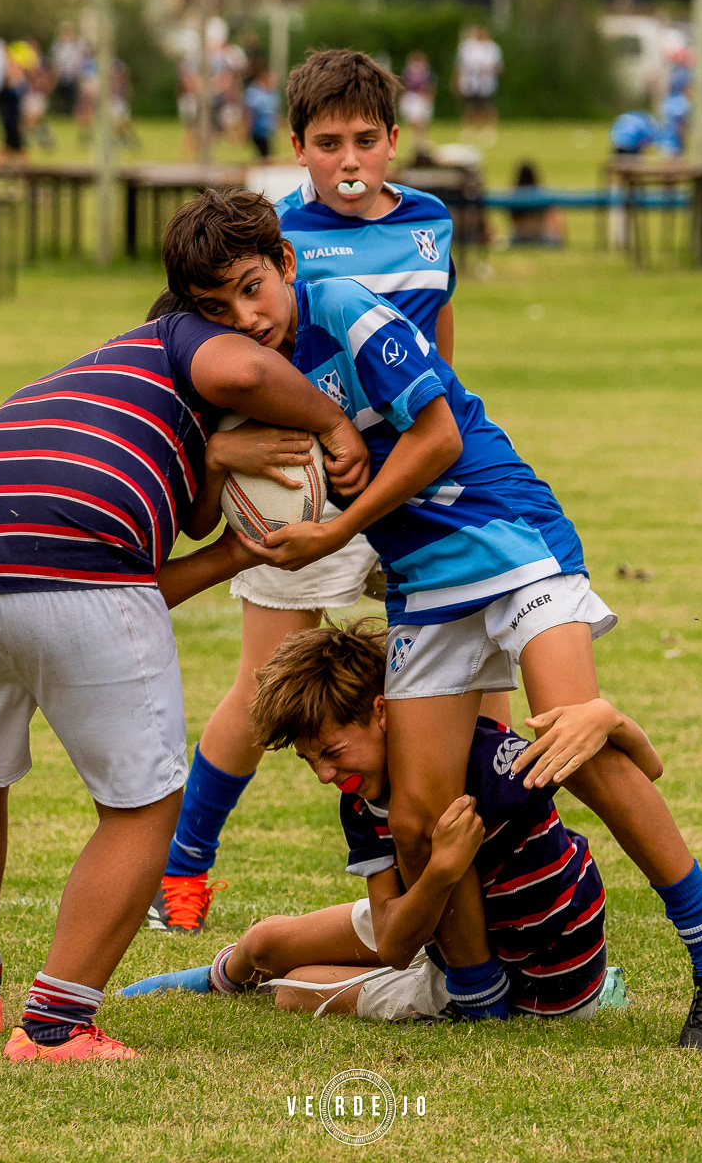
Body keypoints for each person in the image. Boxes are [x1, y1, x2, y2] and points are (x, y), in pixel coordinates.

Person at [164, 187, 702, 1049]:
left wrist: (336, 527)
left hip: (505, 533)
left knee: (563, 739)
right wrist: (220, 451)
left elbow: (440, 438)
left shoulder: (342, 307)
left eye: (253, 289)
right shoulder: (239, 373)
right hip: (422, 581)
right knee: (415, 815)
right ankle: (477, 994)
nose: (245, 317)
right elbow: (199, 514)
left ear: (287, 264)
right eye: (218, 307)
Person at [0, 271, 370, 1064]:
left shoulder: (102, 395)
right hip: (70, 553)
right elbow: (243, 372)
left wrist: (230, 551)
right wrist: (334, 424)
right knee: (145, 805)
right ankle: (56, 1027)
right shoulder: (183, 338)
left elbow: (131, 585)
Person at [144, 50, 484, 936]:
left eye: (365, 141)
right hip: (302, 482)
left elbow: (437, 340)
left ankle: (495, 861)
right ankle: (183, 866)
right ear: (296, 147)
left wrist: (442, 436)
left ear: (394, 140)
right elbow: (200, 359)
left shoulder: (432, 222)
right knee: (266, 684)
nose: (348, 161)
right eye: (328, 144)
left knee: (476, 673)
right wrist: (227, 449)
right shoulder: (268, 241)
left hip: (417, 479)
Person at [122, 621, 656, 1022]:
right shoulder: (360, 804)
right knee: (264, 943)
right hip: (431, 933)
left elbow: (644, 774)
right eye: (310, 761)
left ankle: (576, 991)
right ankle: (214, 981)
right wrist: (441, 872)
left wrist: (608, 717)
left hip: (541, 988)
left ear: (381, 711)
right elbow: (394, 943)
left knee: (292, 990)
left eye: (332, 752)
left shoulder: (486, 764)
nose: (324, 775)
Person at [454, 25, 503, 137]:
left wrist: (488, 71)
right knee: (469, 106)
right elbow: (460, 65)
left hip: (487, 82)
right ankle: (469, 128)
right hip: (470, 82)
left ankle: (489, 128)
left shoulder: (492, 48)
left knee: (487, 105)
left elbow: (498, 66)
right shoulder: (467, 47)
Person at [398, 50, 436, 154]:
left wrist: (428, 96)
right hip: (410, 98)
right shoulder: (407, 71)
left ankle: (422, 142)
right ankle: (416, 142)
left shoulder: (427, 72)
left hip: (421, 97)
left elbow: (430, 85)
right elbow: (404, 84)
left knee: (420, 121)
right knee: (412, 121)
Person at [244, 62, 279, 163]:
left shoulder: (272, 93)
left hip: (267, 129)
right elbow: (251, 111)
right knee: (262, 153)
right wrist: (249, 127)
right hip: (258, 129)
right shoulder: (255, 92)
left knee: (267, 153)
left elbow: (274, 111)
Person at [52, 22, 86, 117]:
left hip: (74, 73)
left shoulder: (77, 43)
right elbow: (55, 58)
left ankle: (73, 110)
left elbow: (81, 56)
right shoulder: (58, 44)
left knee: (75, 91)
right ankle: (60, 110)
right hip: (61, 73)